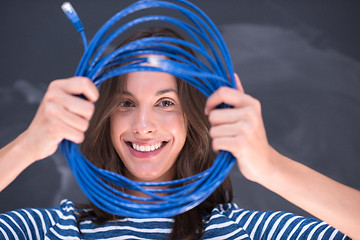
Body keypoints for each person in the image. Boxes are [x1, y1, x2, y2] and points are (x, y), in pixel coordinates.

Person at [0, 27, 359, 240]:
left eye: (166, 103)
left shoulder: (244, 231)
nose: (142, 125)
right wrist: (26, 147)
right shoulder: (53, 229)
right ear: (105, 117)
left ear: (195, 117)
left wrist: (269, 166)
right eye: (126, 103)